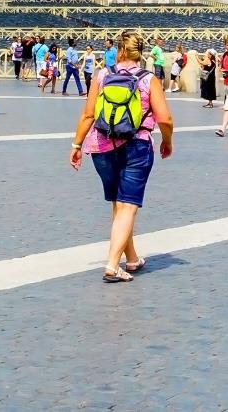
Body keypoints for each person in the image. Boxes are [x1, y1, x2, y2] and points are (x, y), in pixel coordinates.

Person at [69, 29, 174, 283]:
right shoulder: (149, 80)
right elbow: (165, 119)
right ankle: (112, 265)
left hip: (102, 146)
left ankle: (133, 258)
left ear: (119, 50)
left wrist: (76, 144)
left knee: (119, 203)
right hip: (136, 145)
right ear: (141, 52)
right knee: (127, 206)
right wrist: (167, 141)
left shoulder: (103, 75)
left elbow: (88, 115)